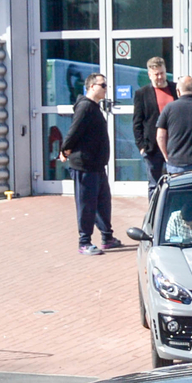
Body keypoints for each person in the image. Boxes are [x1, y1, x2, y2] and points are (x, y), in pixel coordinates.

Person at [61, 72, 118, 254]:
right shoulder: (85, 107)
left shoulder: (94, 107)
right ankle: (84, 242)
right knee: (86, 204)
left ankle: (107, 237)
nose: (105, 89)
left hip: (97, 165)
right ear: (92, 86)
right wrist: (64, 150)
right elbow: (74, 131)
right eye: (103, 85)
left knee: (102, 203)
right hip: (84, 166)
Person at [131, 57, 173, 185]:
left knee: (177, 182)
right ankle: (154, 205)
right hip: (152, 148)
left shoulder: (176, 89)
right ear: (149, 75)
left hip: (174, 145)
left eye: (162, 73)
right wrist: (142, 147)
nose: (160, 77)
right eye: (156, 74)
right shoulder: (141, 94)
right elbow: (137, 123)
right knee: (155, 184)